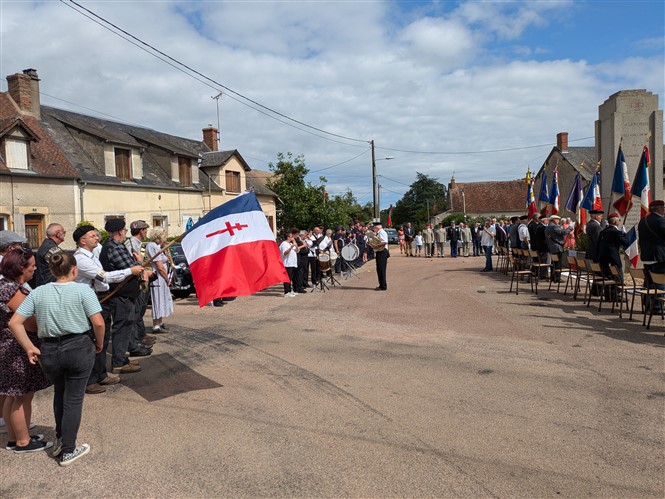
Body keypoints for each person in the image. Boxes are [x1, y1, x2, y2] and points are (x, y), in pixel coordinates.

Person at [9, 252, 104, 466]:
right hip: (78, 346)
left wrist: (29, 347)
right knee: (73, 398)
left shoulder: (39, 292)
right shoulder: (83, 290)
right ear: (74, 270)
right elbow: (98, 322)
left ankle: (61, 439)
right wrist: (99, 343)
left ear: (51, 271)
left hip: (49, 349)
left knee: (60, 393)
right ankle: (68, 449)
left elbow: (14, 322)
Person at [73, 225, 144, 394]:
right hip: (89, 301)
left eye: (97, 235)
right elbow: (104, 276)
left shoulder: (92, 253)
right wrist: (131, 270)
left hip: (100, 300)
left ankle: (101, 374)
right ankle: (89, 380)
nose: (97, 238)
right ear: (83, 241)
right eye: (93, 236)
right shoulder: (81, 259)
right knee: (92, 341)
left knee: (102, 340)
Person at [0, 248, 52, 453]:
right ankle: (23, 441)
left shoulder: (7, 285)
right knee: (21, 396)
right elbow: (29, 323)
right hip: (17, 347)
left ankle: (15, 438)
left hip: (9, 345)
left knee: (13, 395)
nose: (35, 268)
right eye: (32, 265)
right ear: (21, 268)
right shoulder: (12, 290)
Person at [99, 219, 153, 373]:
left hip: (124, 293)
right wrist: (139, 263)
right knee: (122, 328)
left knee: (125, 327)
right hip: (121, 295)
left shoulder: (115, 246)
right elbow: (130, 268)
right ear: (119, 232)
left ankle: (121, 359)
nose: (125, 233)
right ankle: (119, 362)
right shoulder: (114, 247)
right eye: (124, 230)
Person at [125, 220, 152, 346]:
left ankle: (140, 336)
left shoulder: (138, 243)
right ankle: (135, 341)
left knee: (140, 311)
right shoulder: (131, 244)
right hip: (137, 282)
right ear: (141, 231)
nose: (146, 231)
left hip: (142, 280)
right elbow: (134, 263)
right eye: (145, 229)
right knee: (136, 312)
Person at [145, 229, 175, 332]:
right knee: (158, 299)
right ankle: (156, 325)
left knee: (163, 298)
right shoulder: (152, 246)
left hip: (162, 277)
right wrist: (167, 278)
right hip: (158, 277)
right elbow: (159, 265)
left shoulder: (158, 246)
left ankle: (160, 321)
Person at [638, 200, 665, 310]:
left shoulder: (643, 221)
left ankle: (648, 304)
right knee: (659, 283)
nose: (664, 210)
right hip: (659, 256)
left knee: (648, 283)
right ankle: (657, 307)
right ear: (659, 209)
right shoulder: (660, 221)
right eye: (663, 208)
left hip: (647, 256)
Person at [598, 213, 630, 282]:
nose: (620, 221)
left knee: (607, 278)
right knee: (619, 278)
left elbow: (599, 244)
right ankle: (615, 292)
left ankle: (608, 292)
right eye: (619, 220)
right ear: (615, 222)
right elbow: (626, 243)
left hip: (603, 258)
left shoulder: (603, 231)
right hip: (613, 258)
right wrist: (625, 234)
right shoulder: (616, 232)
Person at [34, 222, 65, 287]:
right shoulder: (52, 249)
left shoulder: (47, 245)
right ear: (58, 234)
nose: (64, 234)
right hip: (49, 287)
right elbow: (66, 265)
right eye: (63, 232)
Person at [545, 215, 572, 283]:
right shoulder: (554, 226)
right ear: (554, 220)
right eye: (558, 219)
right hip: (557, 247)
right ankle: (557, 278)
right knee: (558, 263)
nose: (559, 221)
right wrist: (570, 228)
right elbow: (563, 232)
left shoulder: (548, 226)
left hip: (552, 246)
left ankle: (553, 276)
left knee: (554, 263)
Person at [279, 231, 298, 297]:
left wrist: (295, 244)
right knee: (287, 278)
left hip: (293, 263)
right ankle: (287, 292)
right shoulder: (284, 244)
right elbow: (285, 253)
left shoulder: (290, 243)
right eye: (291, 236)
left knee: (291, 277)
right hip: (287, 263)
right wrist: (291, 247)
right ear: (288, 237)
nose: (293, 237)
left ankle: (290, 290)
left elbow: (297, 251)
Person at [372, 222, 389, 291]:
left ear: (377, 227)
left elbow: (384, 242)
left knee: (381, 269)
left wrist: (376, 245)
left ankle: (383, 286)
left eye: (374, 227)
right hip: (379, 251)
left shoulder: (382, 232)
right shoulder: (379, 233)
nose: (373, 229)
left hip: (382, 252)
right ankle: (381, 284)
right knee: (379, 269)